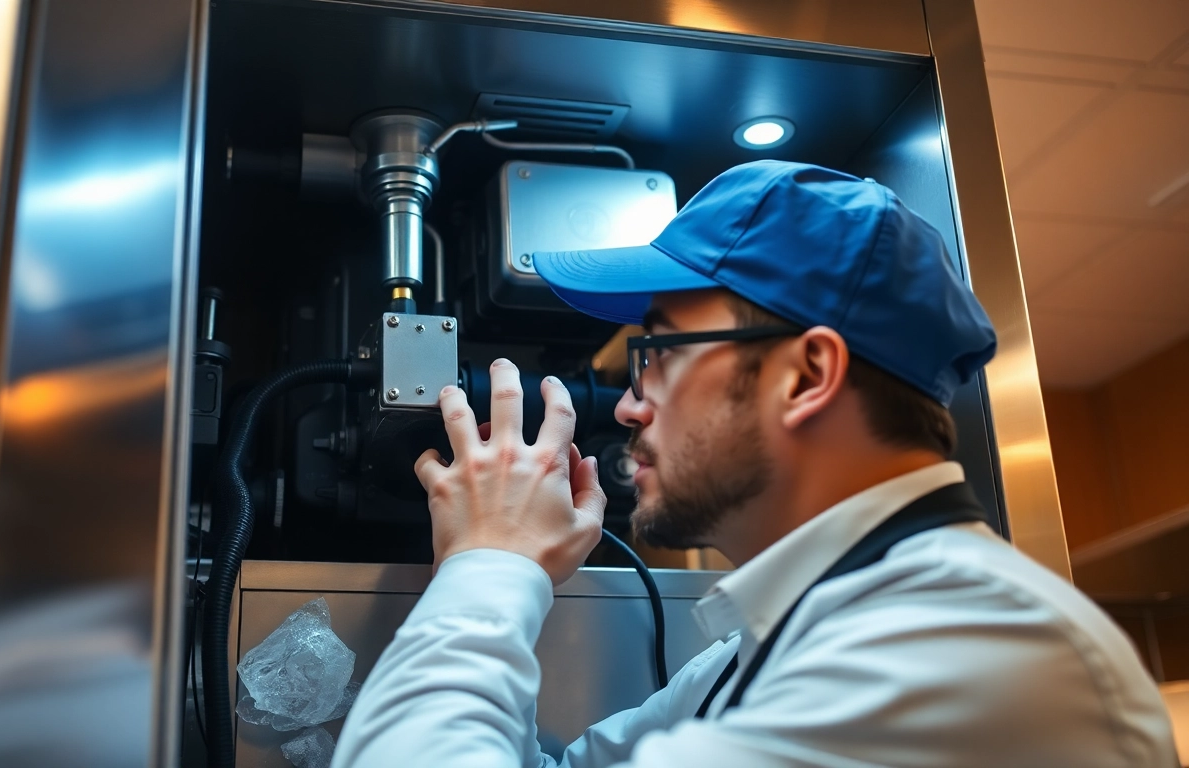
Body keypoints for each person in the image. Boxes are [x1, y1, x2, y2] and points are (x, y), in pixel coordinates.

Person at [331, 161, 1177, 767]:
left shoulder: (968, 652)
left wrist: (491, 567)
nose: (627, 405)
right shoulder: (755, 655)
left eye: (658, 352)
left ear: (807, 375)